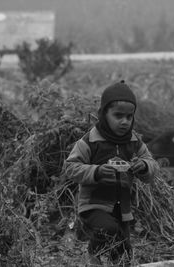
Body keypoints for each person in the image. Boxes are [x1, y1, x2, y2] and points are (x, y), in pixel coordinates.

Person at [63, 80, 159, 265]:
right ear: (104, 114)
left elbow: (153, 165)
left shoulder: (134, 142)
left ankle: (103, 259)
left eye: (129, 117)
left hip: (122, 209)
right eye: (118, 115)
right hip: (92, 205)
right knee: (109, 231)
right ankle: (92, 252)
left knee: (124, 254)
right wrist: (96, 171)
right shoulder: (90, 140)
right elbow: (70, 168)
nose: (124, 121)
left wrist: (144, 166)